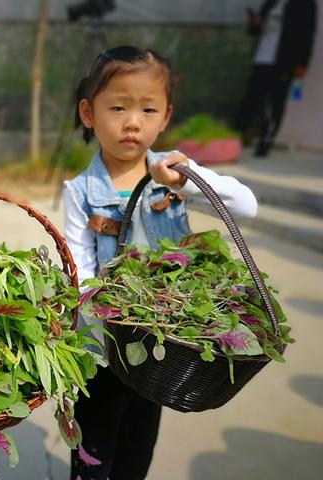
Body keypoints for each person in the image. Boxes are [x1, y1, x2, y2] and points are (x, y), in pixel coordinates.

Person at [63, 46, 259, 480]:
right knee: (95, 447)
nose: (133, 122)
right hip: (105, 349)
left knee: (138, 446)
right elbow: (78, 269)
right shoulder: (80, 191)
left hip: (163, 350)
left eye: (148, 109)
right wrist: (98, 319)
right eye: (117, 107)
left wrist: (190, 181)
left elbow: (247, 207)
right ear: (89, 112)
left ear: (165, 117)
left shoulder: (175, 175)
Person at [234, 0, 317, 157]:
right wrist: (255, 23)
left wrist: (302, 63)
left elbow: (308, 34)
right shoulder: (271, 2)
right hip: (261, 59)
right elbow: (254, 30)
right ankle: (238, 137)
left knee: (275, 103)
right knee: (251, 99)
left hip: (285, 61)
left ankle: (265, 142)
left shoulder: (305, 4)